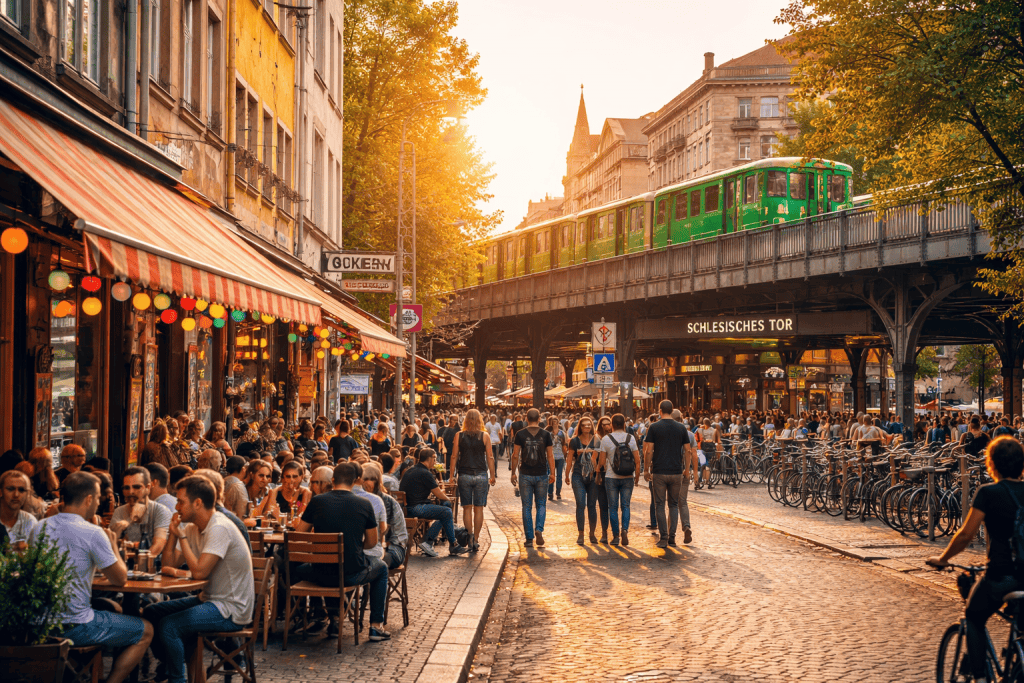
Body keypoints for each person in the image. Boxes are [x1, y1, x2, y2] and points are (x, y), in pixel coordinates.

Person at [31, 472, 153, 683]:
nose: (98, 503)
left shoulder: (39, 527)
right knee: (146, 630)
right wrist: (113, 543)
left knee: (108, 607)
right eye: (97, 498)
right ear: (88, 499)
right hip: (75, 626)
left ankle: (81, 673)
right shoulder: (93, 532)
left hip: (37, 623)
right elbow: (120, 580)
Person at [928, 437, 1024, 683]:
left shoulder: (988, 493)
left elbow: (966, 535)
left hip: (1002, 576)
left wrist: (943, 558)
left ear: (991, 464)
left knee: (974, 615)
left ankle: (980, 677)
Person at [145, 476, 253, 683]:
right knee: (152, 611)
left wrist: (182, 537)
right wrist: (175, 535)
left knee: (169, 626)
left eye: (180, 501)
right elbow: (170, 564)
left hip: (231, 608)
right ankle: (173, 661)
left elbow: (200, 573)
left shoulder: (219, 526)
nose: (176, 507)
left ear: (197, 503)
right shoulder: (192, 526)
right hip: (209, 600)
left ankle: (178, 679)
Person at [296, 462, 391, 641]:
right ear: (356, 480)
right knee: (382, 568)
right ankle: (376, 626)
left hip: (319, 572)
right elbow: (372, 542)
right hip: (350, 573)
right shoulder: (364, 504)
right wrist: (354, 545)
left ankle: (323, 616)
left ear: (333, 480)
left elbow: (299, 534)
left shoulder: (317, 501)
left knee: (288, 567)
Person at [644, 400, 694, 548]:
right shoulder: (681, 428)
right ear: (672, 411)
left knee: (659, 505)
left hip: (659, 471)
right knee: (673, 505)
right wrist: (687, 470)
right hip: (676, 471)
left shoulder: (654, 427)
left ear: (660, 411)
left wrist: (646, 469)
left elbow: (649, 450)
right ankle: (672, 537)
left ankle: (664, 537)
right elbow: (688, 450)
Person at [399, 449, 467, 557]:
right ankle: (450, 544)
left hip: (406, 507)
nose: (435, 462)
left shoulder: (410, 470)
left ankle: (431, 542)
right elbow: (438, 493)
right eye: (434, 458)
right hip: (416, 508)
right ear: (430, 458)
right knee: (447, 511)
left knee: (445, 512)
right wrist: (449, 500)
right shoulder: (425, 473)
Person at [450, 408, 496, 552]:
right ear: (480, 420)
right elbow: (490, 457)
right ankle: (476, 539)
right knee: (479, 508)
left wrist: (452, 475)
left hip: (464, 474)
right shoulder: (485, 436)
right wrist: (493, 475)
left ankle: (469, 536)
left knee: (467, 508)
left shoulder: (459, 435)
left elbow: (454, 456)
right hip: (481, 474)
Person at [510, 408, 555, 548]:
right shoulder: (546, 434)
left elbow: (515, 455)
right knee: (541, 504)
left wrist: (513, 472)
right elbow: (550, 455)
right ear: (540, 418)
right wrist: (552, 473)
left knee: (527, 506)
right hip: (541, 473)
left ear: (526, 419)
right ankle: (539, 529)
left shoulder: (520, 434)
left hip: (525, 474)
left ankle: (529, 538)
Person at [110, 466, 172, 557]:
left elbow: (158, 546)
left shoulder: (160, 510)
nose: (131, 492)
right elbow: (110, 545)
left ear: (148, 487)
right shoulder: (119, 511)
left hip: (152, 567)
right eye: (126, 488)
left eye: (136, 487)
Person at [599, 413, 641, 546]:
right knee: (626, 506)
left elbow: (601, 463)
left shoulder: (606, 439)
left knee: (612, 507)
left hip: (611, 477)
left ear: (611, 425)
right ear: (624, 424)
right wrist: (637, 477)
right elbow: (638, 460)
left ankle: (616, 536)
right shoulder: (631, 438)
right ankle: (625, 530)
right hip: (628, 477)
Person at [565, 416, 606, 545]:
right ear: (580, 427)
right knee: (580, 504)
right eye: (584, 425)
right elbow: (569, 458)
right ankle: (581, 534)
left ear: (592, 426)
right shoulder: (574, 441)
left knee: (592, 505)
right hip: (578, 474)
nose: (587, 427)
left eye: (589, 425)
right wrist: (566, 475)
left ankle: (592, 534)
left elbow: (597, 458)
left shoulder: (597, 439)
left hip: (593, 475)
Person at [361, 463, 407, 569]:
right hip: (367, 547)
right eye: (364, 479)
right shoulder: (357, 500)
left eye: (370, 479)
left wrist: (385, 545)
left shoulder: (389, 501)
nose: (366, 483)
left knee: (378, 563)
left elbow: (398, 536)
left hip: (393, 547)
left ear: (378, 481)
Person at [0, 470, 38, 549]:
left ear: (28, 494)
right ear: (1, 491)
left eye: (21, 490)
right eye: (10, 489)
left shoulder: (30, 521)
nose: (16, 495)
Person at [547, 415, 567, 501]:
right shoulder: (547, 432)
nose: (554, 421)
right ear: (550, 422)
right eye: (552, 420)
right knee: (550, 475)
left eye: (556, 420)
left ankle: (558, 492)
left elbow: (564, 445)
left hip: (560, 457)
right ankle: (550, 492)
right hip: (550, 457)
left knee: (559, 475)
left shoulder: (562, 433)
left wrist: (565, 456)